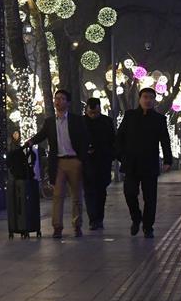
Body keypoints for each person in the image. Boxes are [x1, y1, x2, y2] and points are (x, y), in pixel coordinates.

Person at [25, 89, 91, 238]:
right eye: (57, 98)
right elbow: (42, 135)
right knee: (57, 195)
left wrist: (81, 158)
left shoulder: (76, 120)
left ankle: (77, 225)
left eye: (62, 99)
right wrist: (31, 141)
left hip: (74, 160)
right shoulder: (49, 122)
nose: (58, 101)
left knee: (76, 196)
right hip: (58, 162)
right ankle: (57, 227)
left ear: (68, 102)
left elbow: (84, 138)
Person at [115, 88, 173, 239]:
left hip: (150, 163)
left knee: (150, 197)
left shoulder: (159, 119)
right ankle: (136, 218)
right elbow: (119, 137)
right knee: (129, 193)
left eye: (151, 98)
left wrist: (168, 160)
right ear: (139, 99)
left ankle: (148, 226)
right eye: (145, 97)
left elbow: (165, 141)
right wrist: (121, 156)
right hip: (131, 163)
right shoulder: (130, 116)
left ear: (154, 100)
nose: (148, 100)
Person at [83, 97, 115, 231]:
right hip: (87, 162)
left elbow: (113, 139)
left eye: (95, 113)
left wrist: (112, 155)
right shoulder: (81, 122)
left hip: (103, 161)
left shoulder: (107, 121)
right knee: (89, 191)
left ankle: (99, 218)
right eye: (91, 113)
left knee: (101, 191)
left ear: (99, 109)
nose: (93, 116)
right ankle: (93, 219)